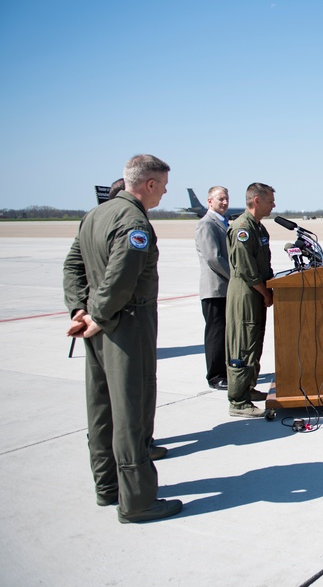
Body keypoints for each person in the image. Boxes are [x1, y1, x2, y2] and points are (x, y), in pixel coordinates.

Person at [62, 154, 183, 523]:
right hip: (126, 324)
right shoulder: (134, 221)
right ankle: (138, 501)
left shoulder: (95, 215)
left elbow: (73, 266)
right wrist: (98, 314)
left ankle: (107, 487)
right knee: (131, 410)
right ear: (149, 184)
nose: (164, 192)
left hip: (98, 326)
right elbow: (121, 276)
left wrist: (79, 310)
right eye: (162, 185)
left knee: (101, 409)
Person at [226, 183, 276, 418]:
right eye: (269, 201)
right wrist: (266, 293)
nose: (273, 205)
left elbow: (264, 263)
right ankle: (238, 400)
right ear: (256, 201)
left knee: (254, 341)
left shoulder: (259, 229)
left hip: (257, 291)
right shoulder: (242, 228)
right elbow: (246, 269)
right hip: (246, 293)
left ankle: (248, 387)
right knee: (243, 343)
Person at [195, 186, 231, 390]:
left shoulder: (223, 222)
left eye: (226, 199)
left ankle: (225, 370)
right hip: (215, 289)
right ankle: (215, 375)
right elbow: (213, 258)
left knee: (225, 331)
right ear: (210, 201)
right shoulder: (206, 224)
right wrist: (235, 277)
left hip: (225, 288)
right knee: (216, 332)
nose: (224, 202)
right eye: (220, 199)